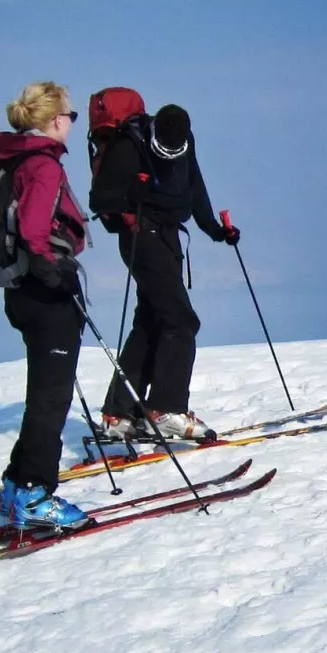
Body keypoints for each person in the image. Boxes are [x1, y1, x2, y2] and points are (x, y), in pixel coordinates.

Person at [91, 102, 239, 442]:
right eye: (164, 148)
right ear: (154, 130)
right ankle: (165, 410)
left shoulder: (186, 141)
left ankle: (119, 413)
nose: (170, 154)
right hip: (141, 237)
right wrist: (131, 194)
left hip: (167, 237)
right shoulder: (130, 145)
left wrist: (216, 230)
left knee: (152, 320)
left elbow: (194, 187)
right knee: (181, 321)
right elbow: (99, 200)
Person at [0, 81, 92, 529]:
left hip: (19, 290)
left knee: (43, 395)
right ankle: (34, 495)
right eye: (70, 115)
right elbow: (34, 231)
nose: (72, 123)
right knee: (51, 398)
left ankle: (16, 486)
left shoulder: (11, 158)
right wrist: (55, 274)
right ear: (54, 120)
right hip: (45, 293)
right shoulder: (43, 165)